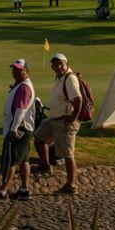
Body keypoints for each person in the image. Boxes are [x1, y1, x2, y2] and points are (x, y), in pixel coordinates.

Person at [34, 52, 81, 195]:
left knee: (68, 154)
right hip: (54, 120)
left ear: (67, 64)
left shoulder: (69, 78)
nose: (58, 66)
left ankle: (71, 186)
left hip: (66, 122)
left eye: (61, 64)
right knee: (39, 138)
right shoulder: (59, 78)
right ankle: (45, 166)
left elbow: (78, 100)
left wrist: (72, 118)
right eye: (55, 64)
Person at [0, 59, 36, 202]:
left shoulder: (24, 87)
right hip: (25, 129)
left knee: (11, 161)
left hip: (19, 129)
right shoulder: (21, 85)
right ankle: (24, 190)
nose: (15, 72)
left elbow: (20, 110)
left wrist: (13, 129)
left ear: (26, 72)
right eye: (14, 69)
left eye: (19, 70)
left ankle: (2, 192)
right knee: (24, 160)